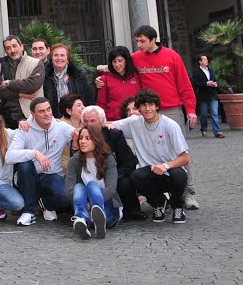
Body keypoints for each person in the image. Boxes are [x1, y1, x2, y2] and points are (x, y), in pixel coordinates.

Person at [99, 25, 200, 208]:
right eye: (137, 41)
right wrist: (101, 76)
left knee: (180, 152)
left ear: (154, 40)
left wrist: (190, 109)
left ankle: (188, 194)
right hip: (145, 111)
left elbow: (184, 84)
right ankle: (156, 192)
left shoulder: (172, 56)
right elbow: (118, 66)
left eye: (142, 41)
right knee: (146, 151)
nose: (138, 45)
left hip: (171, 109)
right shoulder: (136, 59)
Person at [107, 89, 190, 224]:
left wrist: (165, 166)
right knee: (135, 175)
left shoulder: (170, 125)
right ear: (138, 108)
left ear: (157, 106)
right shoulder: (134, 123)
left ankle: (177, 206)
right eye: (143, 105)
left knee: (179, 175)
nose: (147, 109)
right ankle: (158, 204)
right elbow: (107, 123)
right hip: (149, 172)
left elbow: (185, 158)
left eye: (151, 105)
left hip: (170, 170)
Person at [12, 96, 76, 226]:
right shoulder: (25, 128)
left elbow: (79, 136)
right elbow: (10, 155)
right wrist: (35, 154)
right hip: (29, 177)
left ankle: (46, 204)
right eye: (41, 111)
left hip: (52, 176)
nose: (47, 114)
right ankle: (28, 212)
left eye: (48, 109)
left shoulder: (61, 126)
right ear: (33, 114)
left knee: (67, 198)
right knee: (25, 163)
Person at [82, 105, 141, 221]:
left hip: (115, 175)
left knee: (125, 182)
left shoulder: (114, 135)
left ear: (102, 121)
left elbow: (130, 161)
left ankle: (130, 211)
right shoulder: (80, 137)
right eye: (86, 121)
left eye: (93, 121)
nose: (89, 124)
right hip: (90, 177)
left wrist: (114, 176)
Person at [64, 126, 119, 239]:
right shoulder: (74, 161)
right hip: (84, 205)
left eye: (88, 138)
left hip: (107, 203)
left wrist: (94, 204)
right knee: (79, 187)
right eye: (81, 138)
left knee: (92, 185)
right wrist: (87, 204)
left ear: (96, 140)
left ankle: (96, 216)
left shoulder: (108, 158)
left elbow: (111, 189)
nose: (83, 141)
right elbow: (69, 191)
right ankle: (82, 218)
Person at [0, 35, 45, 129]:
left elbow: (31, 85)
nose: (12, 50)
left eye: (14, 46)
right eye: (8, 48)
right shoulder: (0, 66)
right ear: (5, 51)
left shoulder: (36, 63)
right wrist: (19, 94)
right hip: (3, 114)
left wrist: (9, 83)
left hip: (28, 114)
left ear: (21, 46)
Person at [45, 43, 97, 118]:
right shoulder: (45, 77)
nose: (59, 58)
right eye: (56, 55)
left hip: (77, 119)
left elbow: (88, 97)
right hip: (53, 120)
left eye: (62, 55)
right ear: (51, 58)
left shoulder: (79, 75)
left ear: (67, 59)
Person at [98, 45, 141, 122]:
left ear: (126, 60)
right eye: (114, 61)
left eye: (120, 61)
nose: (117, 65)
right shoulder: (105, 79)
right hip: (114, 123)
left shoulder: (138, 76)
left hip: (136, 120)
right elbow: (101, 104)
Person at [191, 54, 224, 138]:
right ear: (200, 61)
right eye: (204, 59)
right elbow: (194, 83)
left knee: (215, 113)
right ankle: (204, 129)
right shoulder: (196, 72)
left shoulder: (210, 70)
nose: (207, 61)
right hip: (203, 95)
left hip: (213, 94)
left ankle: (217, 131)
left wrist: (215, 83)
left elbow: (214, 79)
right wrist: (206, 84)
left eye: (206, 59)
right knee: (204, 114)